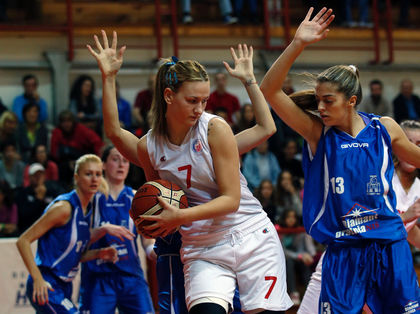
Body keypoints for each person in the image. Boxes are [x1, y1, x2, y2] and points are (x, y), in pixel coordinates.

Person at [88, 30, 292, 314]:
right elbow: (114, 132)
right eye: (192, 100)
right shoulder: (150, 147)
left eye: (204, 101)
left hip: (249, 235)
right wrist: (108, 77)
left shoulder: (214, 129)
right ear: (169, 96)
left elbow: (231, 200)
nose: (200, 108)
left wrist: (179, 216)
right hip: (202, 247)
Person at [260, 7, 420, 313]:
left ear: (351, 100)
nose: (320, 106)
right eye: (318, 99)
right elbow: (269, 90)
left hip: (389, 245)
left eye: (328, 100)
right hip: (343, 250)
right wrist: (297, 44)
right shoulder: (318, 135)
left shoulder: (384, 128)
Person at [297, 120, 420, 314]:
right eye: (409, 141)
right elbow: (360, 216)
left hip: (385, 259)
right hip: (347, 256)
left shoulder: (418, 187)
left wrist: (405, 223)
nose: (413, 147)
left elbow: (408, 234)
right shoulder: (377, 173)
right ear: (395, 143)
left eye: (418, 143)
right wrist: (403, 217)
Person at [16, 154, 135, 313]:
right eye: (88, 174)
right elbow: (23, 241)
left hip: (65, 284)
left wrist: (99, 253)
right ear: (77, 177)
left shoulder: (87, 209)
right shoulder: (64, 208)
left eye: (98, 174)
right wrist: (38, 279)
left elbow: (73, 254)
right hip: (48, 282)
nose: (94, 179)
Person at [79, 146, 155, 314]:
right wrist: (103, 230)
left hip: (131, 277)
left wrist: (154, 252)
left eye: (125, 160)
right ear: (104, 165)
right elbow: (79, 242)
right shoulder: (90, 198)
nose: (121, 164)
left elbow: (147, 240)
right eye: (115, 159)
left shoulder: (136, 198)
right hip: (98, 276)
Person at [278, 209, 315, 306]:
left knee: (304, 264)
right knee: (289, 262)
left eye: (293, 217)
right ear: (284, 218)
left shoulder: (300, 230)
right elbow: (282, 251)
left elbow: (307, 250)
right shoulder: (278, 230)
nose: (291, 219)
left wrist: (306, 256)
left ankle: (309, 293)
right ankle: (293, 293)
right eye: (288, 217)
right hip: (284, 259)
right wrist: (300, 256)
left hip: (299, 259)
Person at [16, 162, 64, 234]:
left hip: (49, 230)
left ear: (44, 176)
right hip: (29, 230)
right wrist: (38, 200)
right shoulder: (23, 193)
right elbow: (24, 216)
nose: (38, 177)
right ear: (30, 177)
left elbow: (57, 212)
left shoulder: (52, 191)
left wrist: (43, 199)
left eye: (40, 174)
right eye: (35, 175)